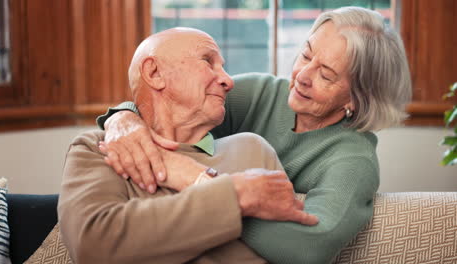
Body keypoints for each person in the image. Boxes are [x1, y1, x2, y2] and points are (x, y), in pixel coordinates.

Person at [97, 6, 412, 264]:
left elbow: (309, 248)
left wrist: (208, 189)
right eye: (305, 55)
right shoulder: (259, 94)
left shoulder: (353, 160)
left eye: (326, 74)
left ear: (356, 99)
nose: (302, 76)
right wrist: (122, 117)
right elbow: (168, 106)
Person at [58, 27, 318, 264]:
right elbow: (93, 245)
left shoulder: (250, 149)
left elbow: (289, 252)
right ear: (154, 73)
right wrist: (235, 196)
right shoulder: (100, 148)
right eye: (208, 61)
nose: (229, 80)